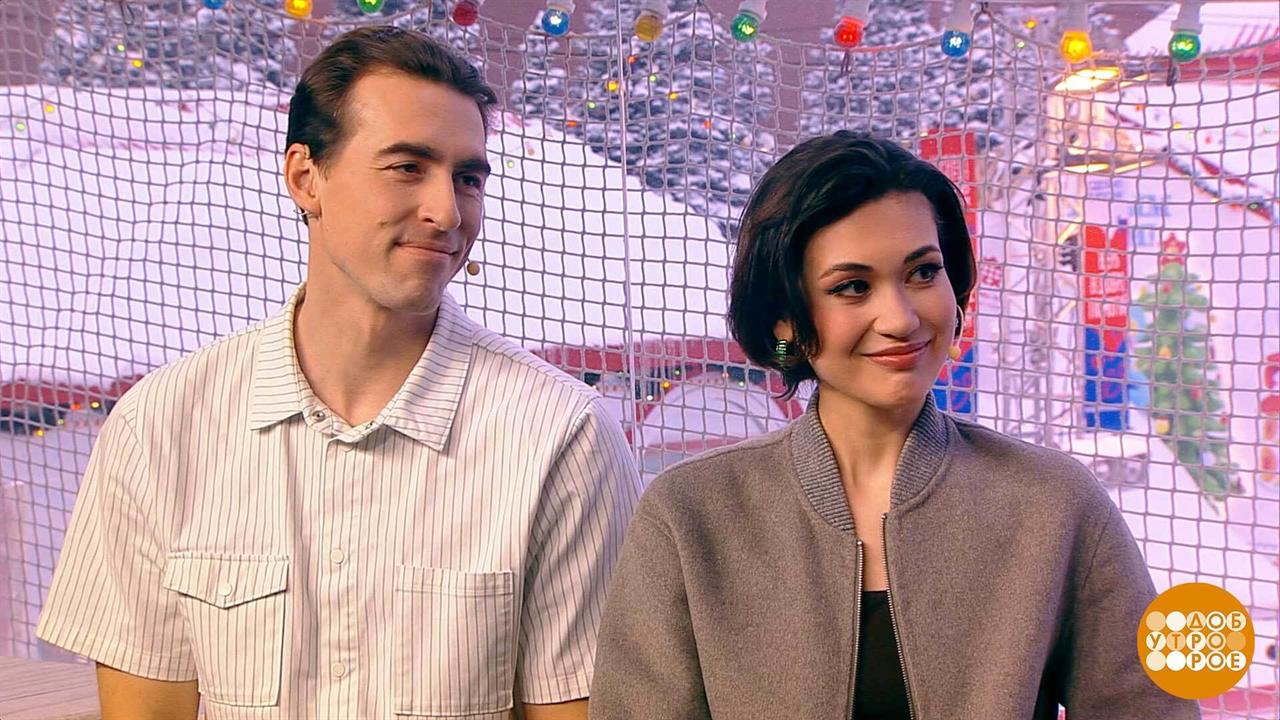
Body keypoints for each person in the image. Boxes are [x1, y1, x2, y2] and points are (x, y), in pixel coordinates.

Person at [37, 26, 641, 720]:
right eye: (407, 166)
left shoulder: (561, 435)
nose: (446, 211)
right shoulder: (160, 427)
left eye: (468, 178)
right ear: (305, 178)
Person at [588, 132, 1200, 719]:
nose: (901, 318)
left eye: (923, 272)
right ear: (784, 321)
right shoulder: (690, 515)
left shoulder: (1053, 502)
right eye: (853, 287)